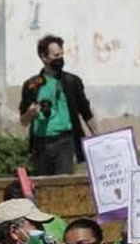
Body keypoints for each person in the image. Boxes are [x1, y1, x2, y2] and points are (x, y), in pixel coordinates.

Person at [19, 34, 95, 176]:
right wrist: (30, 114)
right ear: (44, 57)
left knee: (63, 182)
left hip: (65, 142)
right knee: (43, 186)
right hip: (40, 144)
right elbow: (23, 121)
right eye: (55, 55)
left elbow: (86, 113)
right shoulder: (32, 85)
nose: (60, 58)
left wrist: (99, 138)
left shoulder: (72, 82)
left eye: (61, 54)